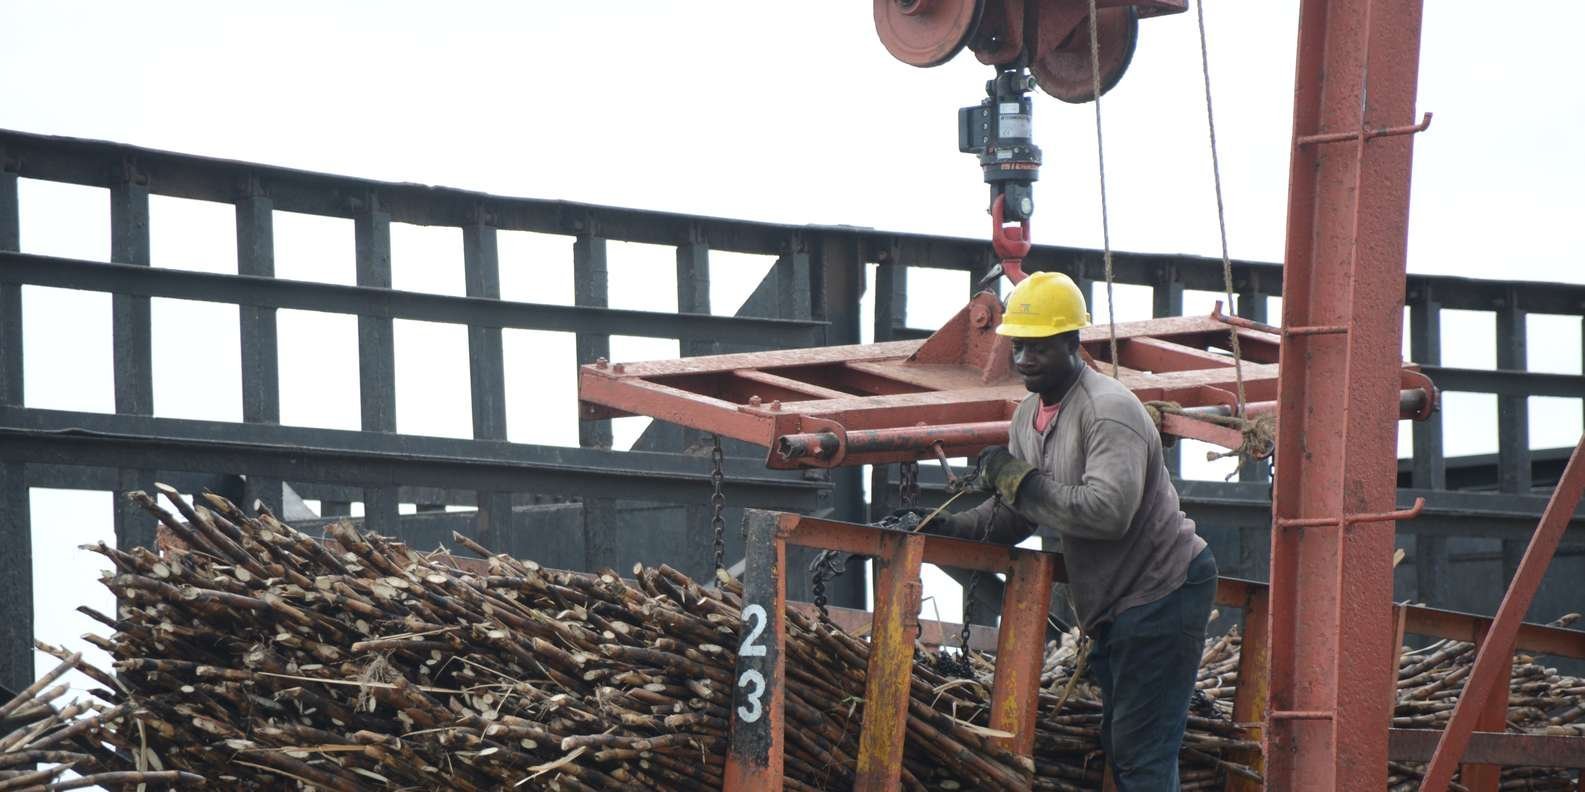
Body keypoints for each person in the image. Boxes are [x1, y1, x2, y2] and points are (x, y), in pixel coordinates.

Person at [928, 271, 1217, 790]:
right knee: (1126, 745)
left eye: (1039, 349)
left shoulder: (1108, 412)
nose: (1024, 361)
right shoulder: (1026, 418)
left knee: (1141, 753)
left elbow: (1108, 513)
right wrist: (946, 529)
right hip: (1118, 604)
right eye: (1019, 348)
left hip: (1163, 590)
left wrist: (1021, 479)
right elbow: (1016, 515)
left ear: (1072, 343)